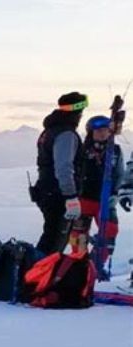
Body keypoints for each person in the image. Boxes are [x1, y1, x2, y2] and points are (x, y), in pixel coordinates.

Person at [33, 92, 89, 255]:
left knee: (51, 236)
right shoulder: (66, 134)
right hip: (59, 196)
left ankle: (37, 274)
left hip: (46, 191)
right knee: (55, 242)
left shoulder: (49, 131)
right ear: (76, 112)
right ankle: (37, 276)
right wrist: (71, 197)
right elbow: (64, 167)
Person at [69, 116, 125, 266]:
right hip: (84, 198)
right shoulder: (81, 150)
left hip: (106, 200)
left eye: (106, 130)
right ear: (91, 132)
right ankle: (78, 268)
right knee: (78, 237)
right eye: (99, 130)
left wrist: (115, 193)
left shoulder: (115, 150)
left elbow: (120, 173)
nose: (103, 133)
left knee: (110, 231)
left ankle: (95, 266)